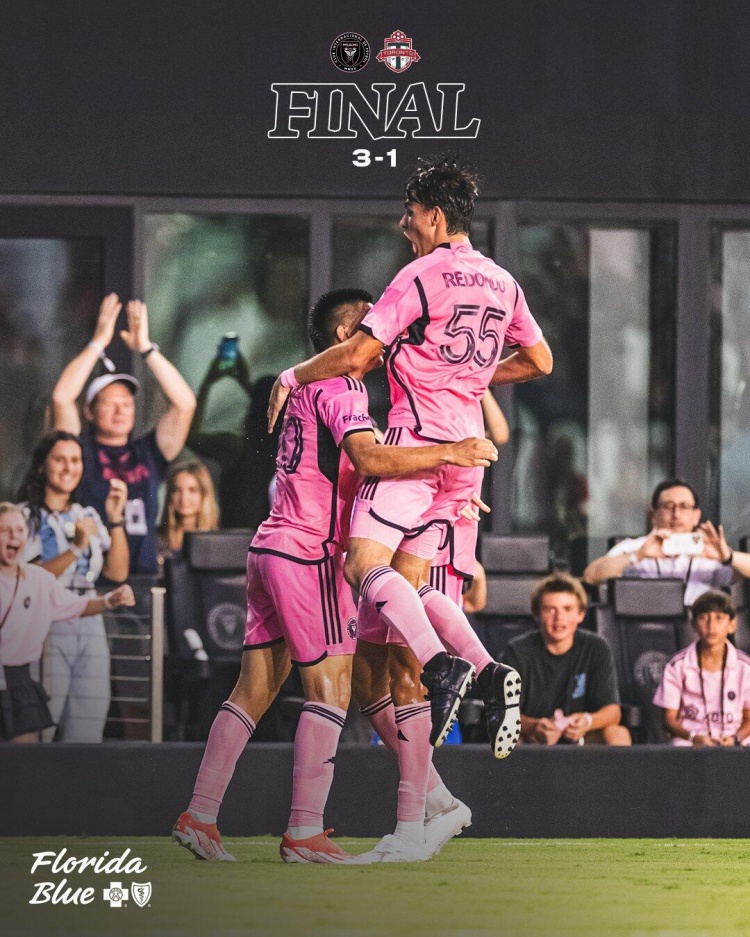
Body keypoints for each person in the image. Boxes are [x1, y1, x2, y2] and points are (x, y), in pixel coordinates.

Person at [267, 155, 552, 860]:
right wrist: (475, 377)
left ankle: (451, 665)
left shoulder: (420, 275)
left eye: (409, 213)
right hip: (466, 454)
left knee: (363, 566)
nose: (404, 224)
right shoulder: (504, 281)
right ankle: (417, 814)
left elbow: (355, 355)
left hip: (417, 445)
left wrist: (292, 374)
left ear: (433, 214)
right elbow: (540, 361)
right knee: (404, 610)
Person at [172, 288, 497, 864]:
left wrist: (440, 495)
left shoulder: (304, 387)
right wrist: (452, 453)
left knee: (253, 691)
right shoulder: (342, 388)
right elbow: (370, 459)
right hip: (309, 555)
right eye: (373, 323)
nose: (386, 332)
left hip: (270, 546)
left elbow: (355, 471)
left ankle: (199, 815)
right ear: (348, 335)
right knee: (331, 691)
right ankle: (304, 831)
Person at [51, 293, 196, 574]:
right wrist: (97, 343)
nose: (121, 411)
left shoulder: (148, 451)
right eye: (110, 404)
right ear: (89, 412)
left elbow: (185, 404)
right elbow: (62, 398)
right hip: (90, 579)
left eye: (127, 404)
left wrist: (146, 349)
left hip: (144, 579)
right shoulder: (79, 452)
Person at [17, 431, 128, 742]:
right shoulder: (25, 516)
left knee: (89, 720)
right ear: (42, 466)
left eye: (76, 460)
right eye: (60, 460)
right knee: (45, 719)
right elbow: (29, 579)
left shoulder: (86, 514)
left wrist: (115, 519)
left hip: (89, 618)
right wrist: (76, 548)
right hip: (48, 622)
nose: (69, 468)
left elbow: (117, 572)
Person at [0, 503, 134, 743]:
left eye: (19, 530)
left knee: (22, 761)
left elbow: (75, 605)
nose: (13, 537)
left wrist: (109, 600)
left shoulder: (38, 579)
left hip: (18, 684)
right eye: (4, 530)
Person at [502, 573, 631, 746]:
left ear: (581, 614)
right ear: (537, 614)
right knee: (509, 738)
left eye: (567, 609)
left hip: (582, 737)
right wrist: (535, 727)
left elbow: (613, 712)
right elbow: (505, 714)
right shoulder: (517, 651)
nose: (559, 618)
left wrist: (588, 721)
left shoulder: (596, 647)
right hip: (533, 739)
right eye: (550, 609)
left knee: (617, 734)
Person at [583, 478, 750, 606]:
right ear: (653, 514)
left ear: (696, 516)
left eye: (684, 506)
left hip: (696, 631)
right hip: (641, 627)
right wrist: (637, 556)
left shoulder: (709, 550)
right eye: (669, 506)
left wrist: (728, 557)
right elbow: (591, 576)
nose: (676, 514)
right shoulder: (635, 547)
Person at [188, 343, 279, 529]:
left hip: (234, 537)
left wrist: (207, 384)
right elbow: (270, 408)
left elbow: (190, 437)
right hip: (273, 537)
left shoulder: (234, 447)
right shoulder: (291, 451)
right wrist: (247, 384)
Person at [653, 590, 750, 747]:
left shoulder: (745, 666)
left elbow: (749, 718)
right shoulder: (677, 665)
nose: (711, 626)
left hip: (734, 739)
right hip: (691, 739)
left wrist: (735, 739)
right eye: (704, 618)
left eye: (719, 618)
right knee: (679, 748)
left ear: (732, 625)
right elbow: (669, 719)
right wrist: (693, 737)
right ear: (694, 625)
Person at [157, 459, 219, 561]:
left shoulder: (217, 543)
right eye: (177, 490)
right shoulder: (155, 540)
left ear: (204, 495)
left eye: (192, 490)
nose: (183, 498)